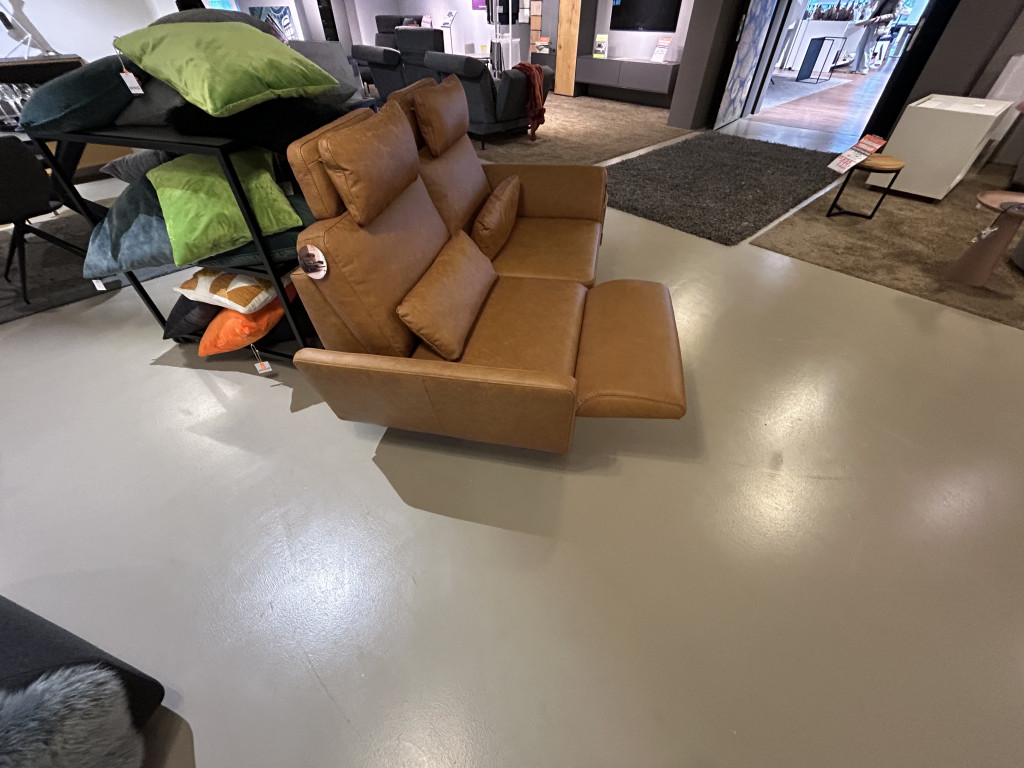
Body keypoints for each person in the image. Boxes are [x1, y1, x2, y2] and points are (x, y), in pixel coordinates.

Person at [851, 0, 900, 75]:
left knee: (868, 47)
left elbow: (894, 15)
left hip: (879, 25)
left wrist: (881, 17)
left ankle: (863, 69)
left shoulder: (897, 1)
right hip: (871, 22)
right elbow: (876, 9)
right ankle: (854, 67)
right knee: (861, 45)